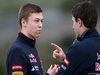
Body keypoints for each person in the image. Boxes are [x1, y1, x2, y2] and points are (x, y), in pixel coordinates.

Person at [6, 3, 58, 75]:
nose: (40, 25)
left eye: (41, 21)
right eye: (36, 21)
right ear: (23, 22)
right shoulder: (17, 50)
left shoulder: (30, 47)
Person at [51, 0, 100, 75]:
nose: (73, 27)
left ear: (79, 22)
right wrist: (65, 59)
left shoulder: (78, 49)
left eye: (73, 22)